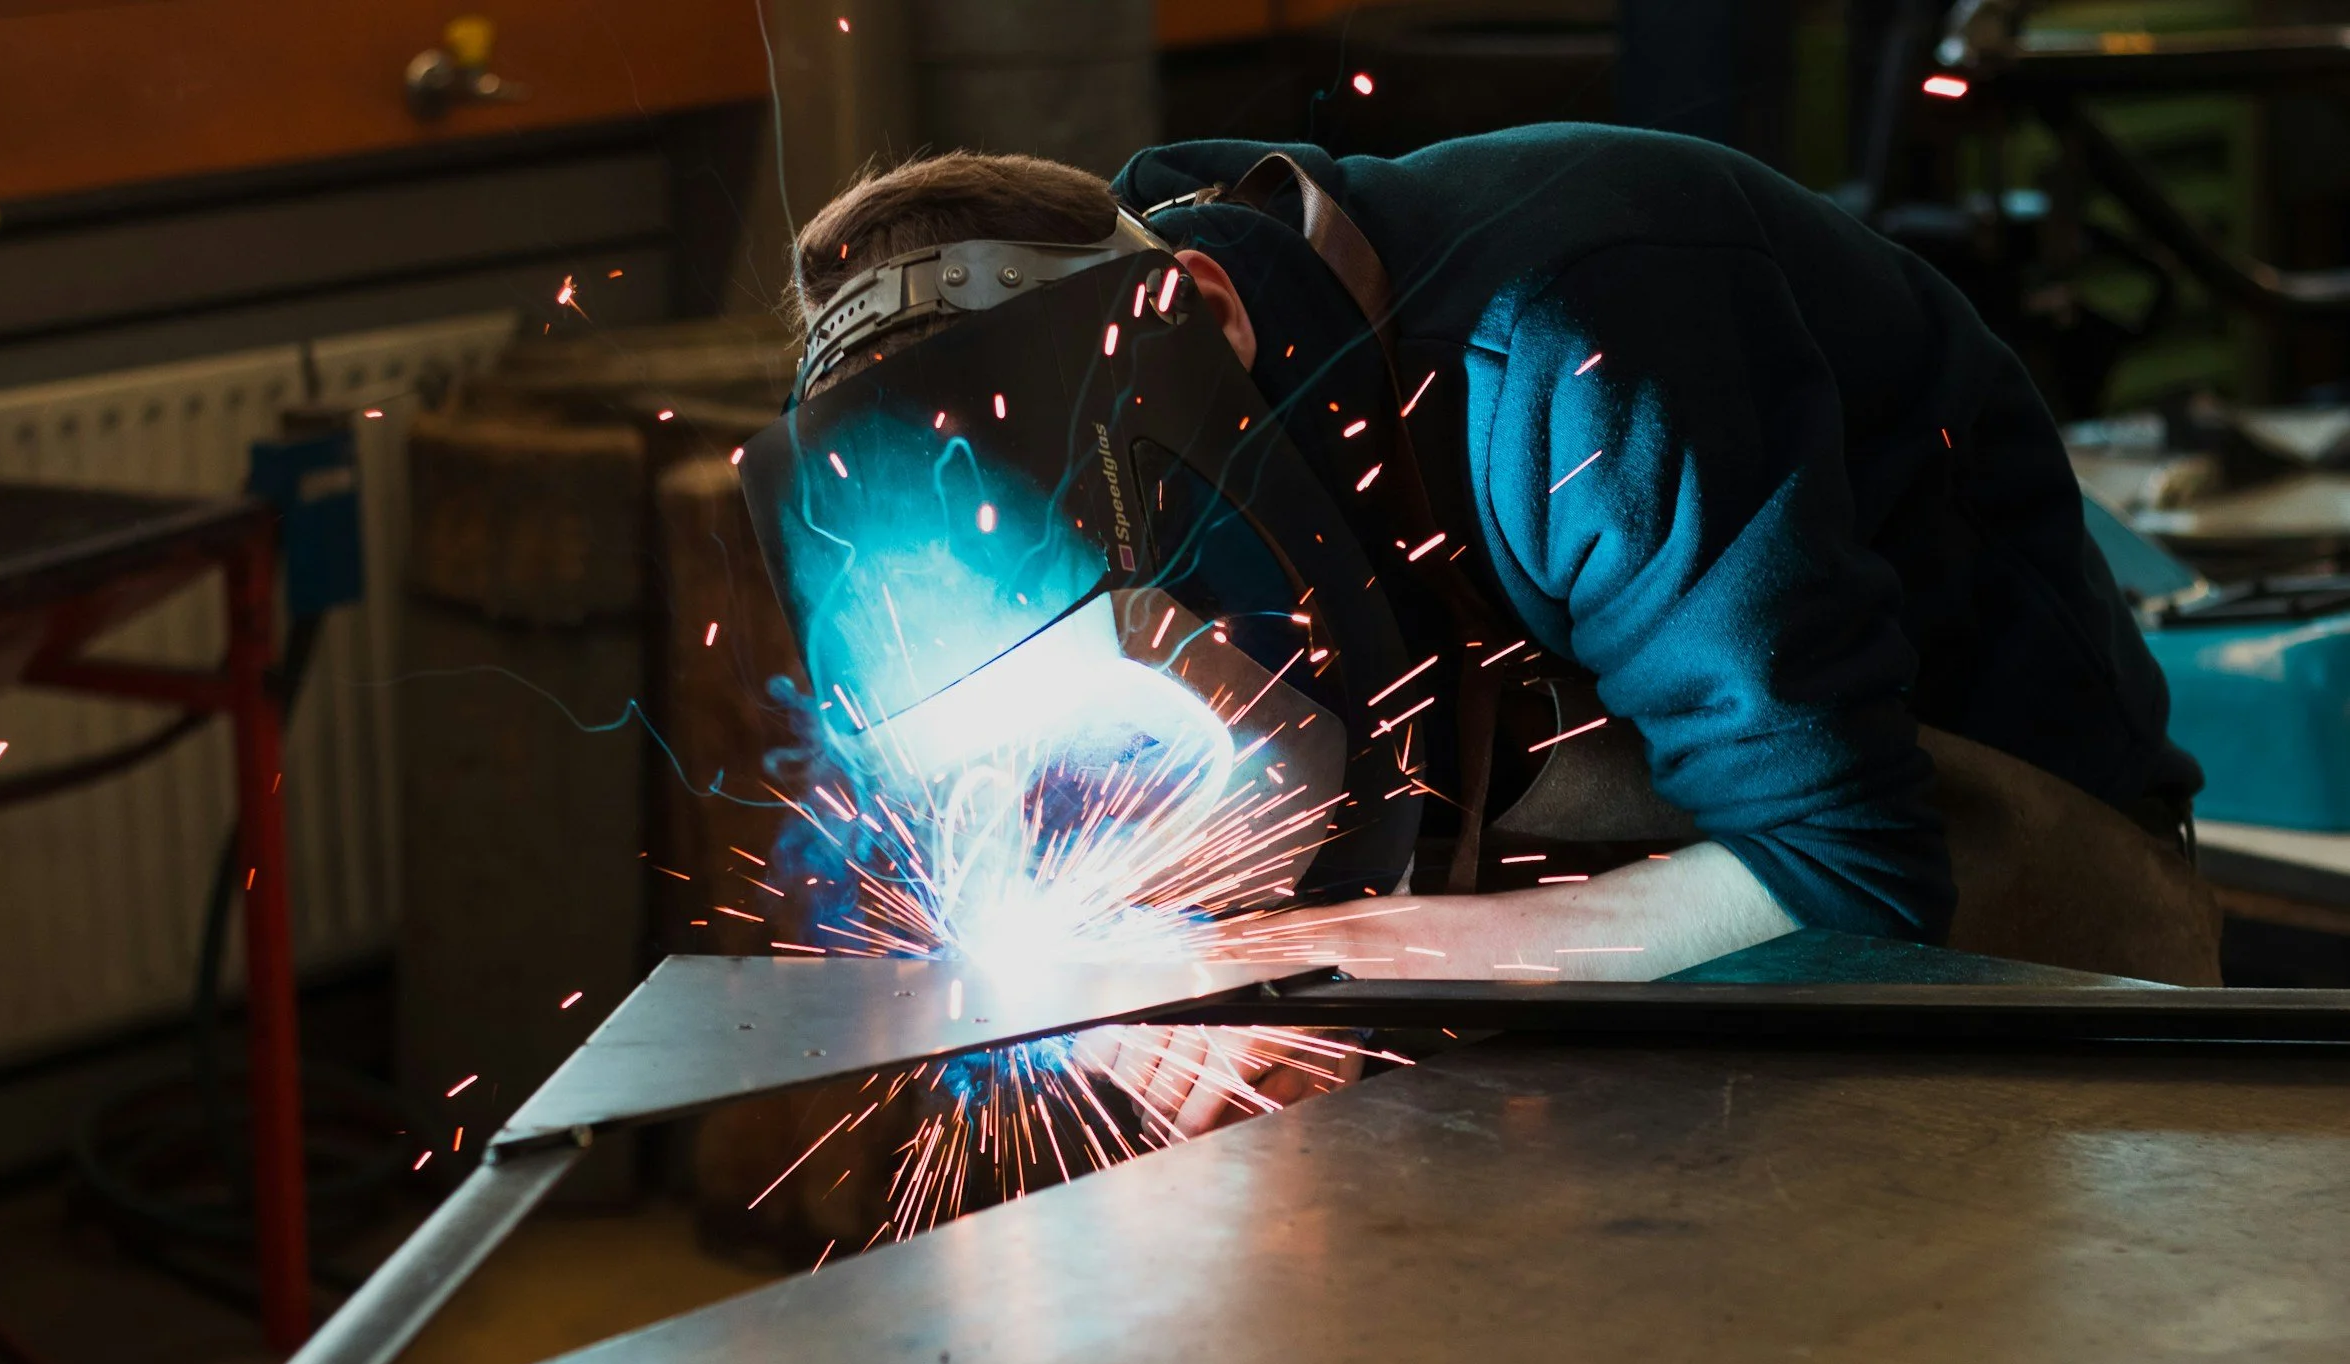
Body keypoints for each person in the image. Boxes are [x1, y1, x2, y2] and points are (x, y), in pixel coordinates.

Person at [781, 130, 2224, 1125]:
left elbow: (1856, 879)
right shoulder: (1141, 404)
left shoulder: (1575, 355)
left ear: (1204, 307)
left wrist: (1351, 963)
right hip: (1634, 932)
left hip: (1988, 892)